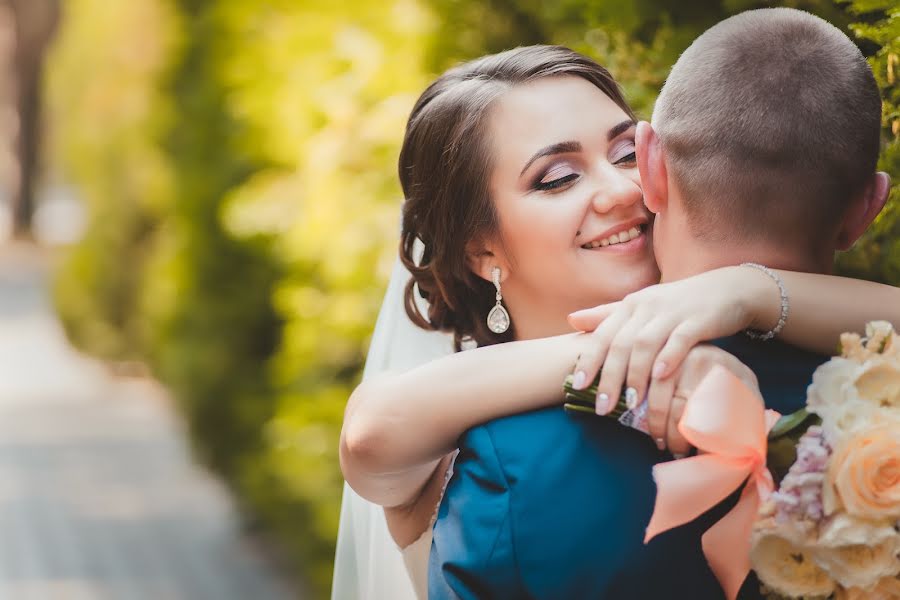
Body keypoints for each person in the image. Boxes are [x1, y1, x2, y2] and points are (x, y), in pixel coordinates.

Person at [335, 14, 895, 600]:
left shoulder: (776, 335)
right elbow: (372, 433)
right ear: (482, 249)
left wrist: (743, 291)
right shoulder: (451, 444)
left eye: (627, 152)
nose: (624, 190)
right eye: (556, 178)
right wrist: (629, 358)